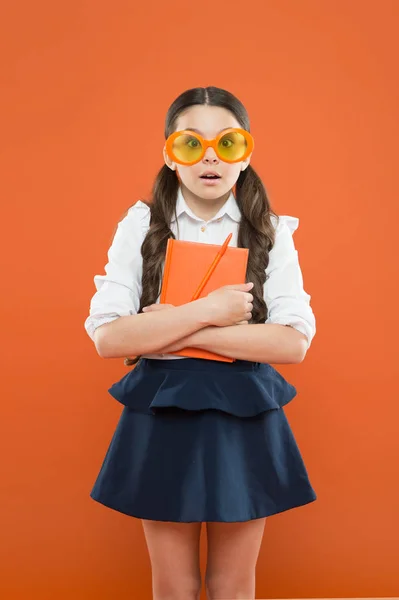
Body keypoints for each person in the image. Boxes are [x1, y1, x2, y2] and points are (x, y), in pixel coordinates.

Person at [84, 86, 317, 600]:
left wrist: (178, 328)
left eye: (226, 143)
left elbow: (294, 341)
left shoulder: (269, 230)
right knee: (173, 585)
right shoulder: (142, 225)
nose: (210, 156)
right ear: (170, 154)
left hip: (244, 408)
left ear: (246, 153)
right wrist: (210, 310)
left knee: (233, 586)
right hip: (162, 406)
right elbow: (108, 336)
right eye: (192, 144)